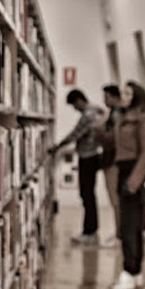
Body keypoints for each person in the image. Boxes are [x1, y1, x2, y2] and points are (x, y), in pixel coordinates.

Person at [110, 81, 145, 289]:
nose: (123, 96)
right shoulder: (122, 117)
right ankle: (135, 272)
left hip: (133, 173)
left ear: (136, 96)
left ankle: (129, 271)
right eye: (122, 92)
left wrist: (133, 182)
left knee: (130, 226)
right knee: (133, 225)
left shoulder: (142, 120)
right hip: (123, 171)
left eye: (127, 93)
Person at [49, 89, 105, 245]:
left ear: (79, 100)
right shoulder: (97, 110)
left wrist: (57, 147)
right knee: (88, 194)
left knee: (86, 194)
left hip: (88, 157)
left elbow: (75, 134)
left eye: (74, 105)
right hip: (92, 155)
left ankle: (90, 232)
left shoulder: (88, 115)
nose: (75, 108)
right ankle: (91, 230)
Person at [95, 85, 122, 247]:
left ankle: (119, 235)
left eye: (106, 97)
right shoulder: (112, 114)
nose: (104, 100)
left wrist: (98, 131)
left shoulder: (116, 115)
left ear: (113, 97)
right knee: (114, 200)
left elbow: (112, 139)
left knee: (115, 200)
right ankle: (118, 233)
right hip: (109, 161)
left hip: (113, 162)